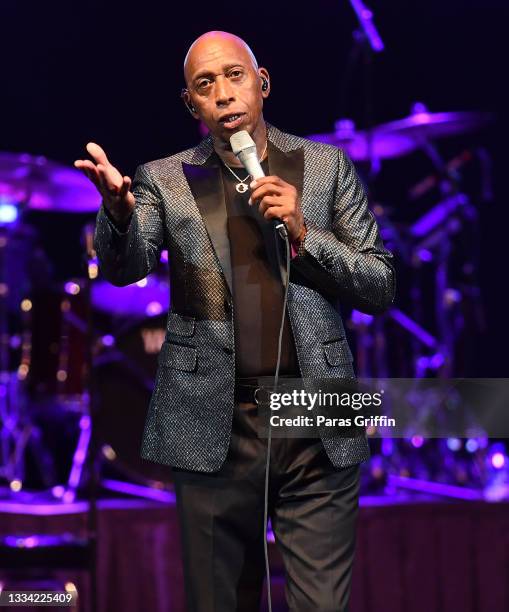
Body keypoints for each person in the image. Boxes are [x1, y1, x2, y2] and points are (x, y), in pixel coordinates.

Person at [75, 30, 395, 612]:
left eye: (234, 75)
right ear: (190, 104)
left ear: (262, 82)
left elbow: (379, 285)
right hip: (214, 424)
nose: (223, 93)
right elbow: (127, 265)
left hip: (316, 417)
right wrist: (119, 210)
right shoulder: (164, 178)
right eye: (206, 84)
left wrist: (304, 235)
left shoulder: (324, 167)